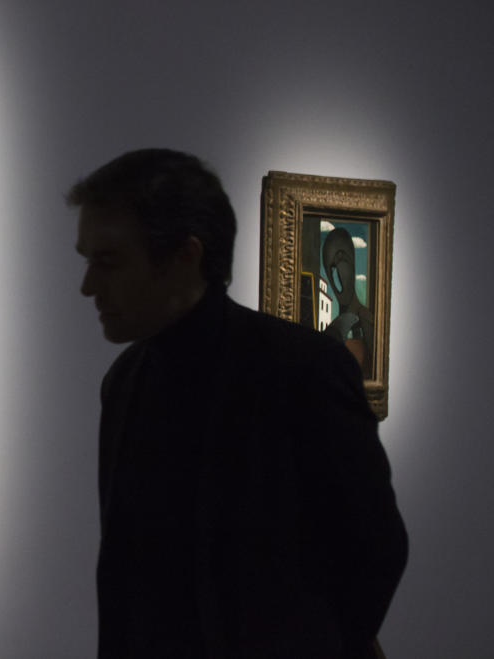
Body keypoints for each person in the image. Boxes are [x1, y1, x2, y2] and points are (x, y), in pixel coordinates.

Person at [69, 149, 407, 658]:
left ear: (186, 256)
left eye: (109, 262)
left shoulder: (302, 371)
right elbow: (126, 574)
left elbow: (375, 549)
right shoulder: (125, 382)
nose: (88, 286)